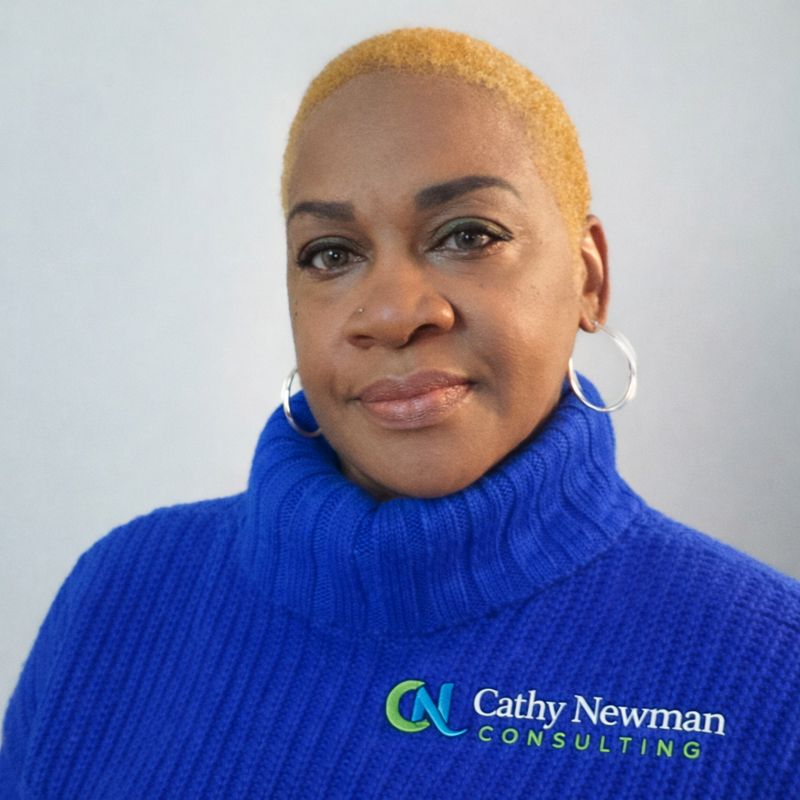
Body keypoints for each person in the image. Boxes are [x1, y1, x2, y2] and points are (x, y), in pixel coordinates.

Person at [1, 26, 798, 800]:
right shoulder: (123, 593)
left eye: (467, 234)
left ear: (589, 279)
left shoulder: (770, 668)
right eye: (331, 254)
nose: (388, 313)